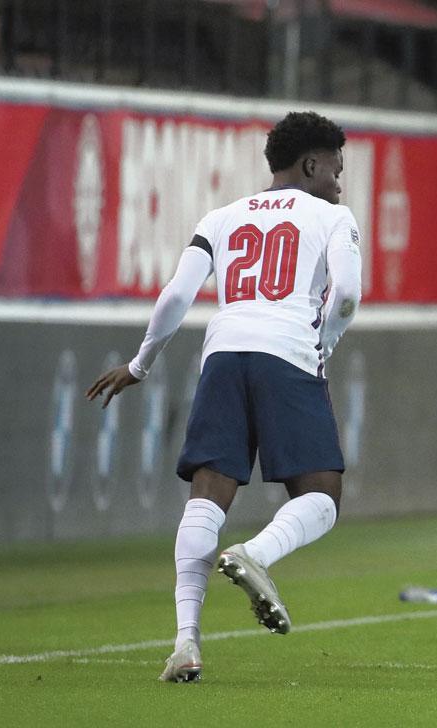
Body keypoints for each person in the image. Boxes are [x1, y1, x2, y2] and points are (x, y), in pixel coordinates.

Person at [85, 111, 362, 683]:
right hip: (286, 351)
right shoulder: (332, 215)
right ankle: (255, 555)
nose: (339, 180)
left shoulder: (221, 216)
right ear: (311, 164)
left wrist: (140, 365)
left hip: (223, 353)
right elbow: (349, 293)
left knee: (207, 495)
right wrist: (324, 343)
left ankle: (186, 641)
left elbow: (175, 295)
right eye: (335, 167)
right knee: (323, 496)